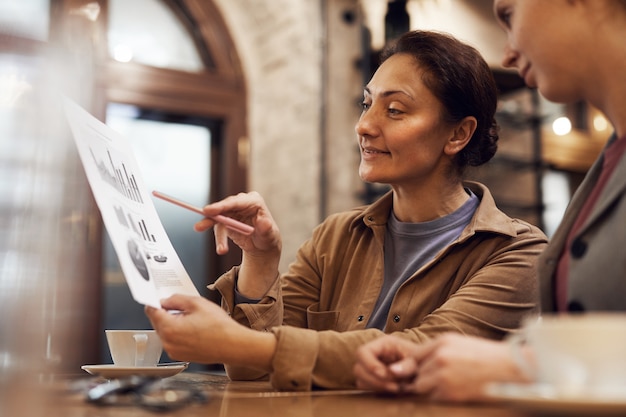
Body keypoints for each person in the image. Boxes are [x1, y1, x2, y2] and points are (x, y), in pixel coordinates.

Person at [145, 30, 547, 391]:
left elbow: (418, 352)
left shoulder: (517, 252)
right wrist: (260, 259)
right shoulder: (336, 237)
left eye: (394, 110)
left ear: (458, 134)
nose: (364, 125)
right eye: (366, 103)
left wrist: (237, 342)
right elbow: (251, 369)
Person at [353, 0, 626, 402]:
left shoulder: (514, 248)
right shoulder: (609, 163)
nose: (508, 53)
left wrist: (522, 370)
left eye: (509, 15)